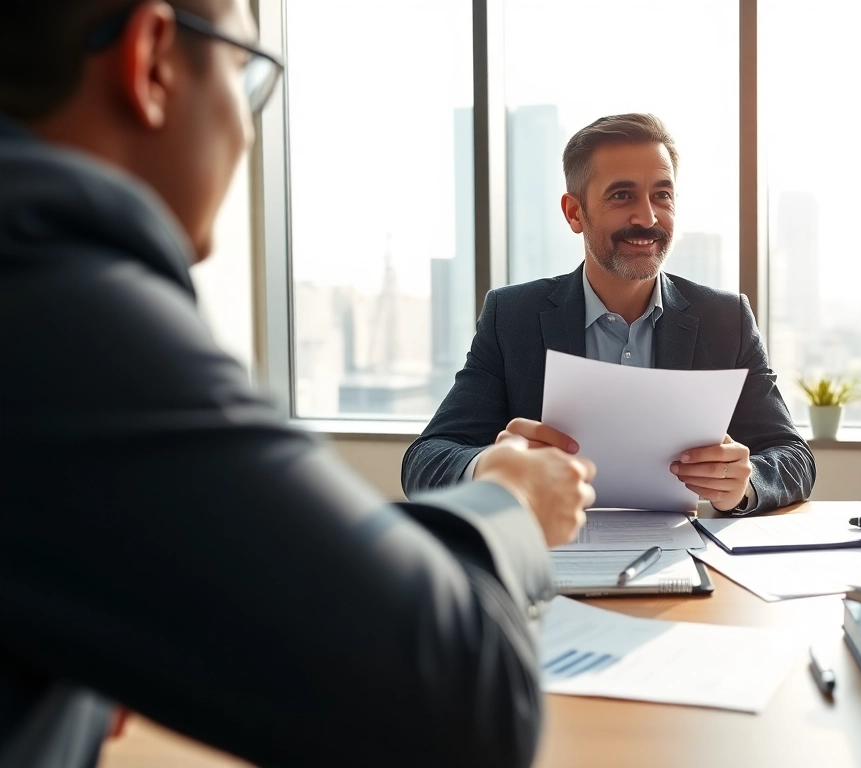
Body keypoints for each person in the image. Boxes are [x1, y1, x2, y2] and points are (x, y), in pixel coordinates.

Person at [0, 1, 595, 766]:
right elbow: (463, 709)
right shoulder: (56, 300)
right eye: (249, 74)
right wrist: (509, 500)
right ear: (153, 61)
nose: (248, 131)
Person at [403, 113, 815, 514]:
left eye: (662, 195)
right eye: (622, 195)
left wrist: (746, 484)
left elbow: (795, 458)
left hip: (684, 556)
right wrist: (490, 467)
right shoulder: (513, 317)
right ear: (574, 213)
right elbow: (425, 460)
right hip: (548, 556)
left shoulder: (726, 320)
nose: (648, 217)